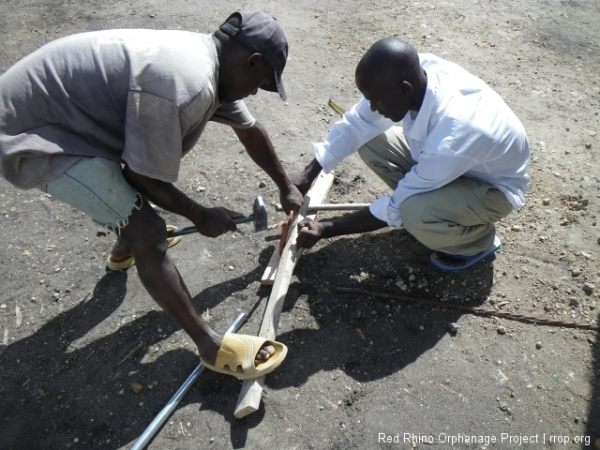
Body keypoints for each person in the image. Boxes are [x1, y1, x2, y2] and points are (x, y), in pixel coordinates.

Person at [0, 10, 303, 378]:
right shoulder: (185, 84)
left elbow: (250, 130)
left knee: (131, 207)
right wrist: (200, 214)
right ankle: (211, 346)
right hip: (32, 138)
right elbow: (142, 176)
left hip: (61, 118)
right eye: (260, 83)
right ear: (250, 62)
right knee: (149, 229)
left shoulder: (210, 60)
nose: (255, 92)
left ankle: (124, 248)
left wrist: (285, 185)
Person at [291, 37, 530, 272]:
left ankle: (477, 240)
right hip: (453, 164)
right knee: (369, 140)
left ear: (405, 89)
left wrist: (326, 228)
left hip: (492, 189)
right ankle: (438, 210)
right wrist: (307, 175)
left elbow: (399, 204)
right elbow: (357, 123)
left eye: (376, 101)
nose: (373, 107)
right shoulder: (415, 72)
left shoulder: (454, 133)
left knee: (414, 211)